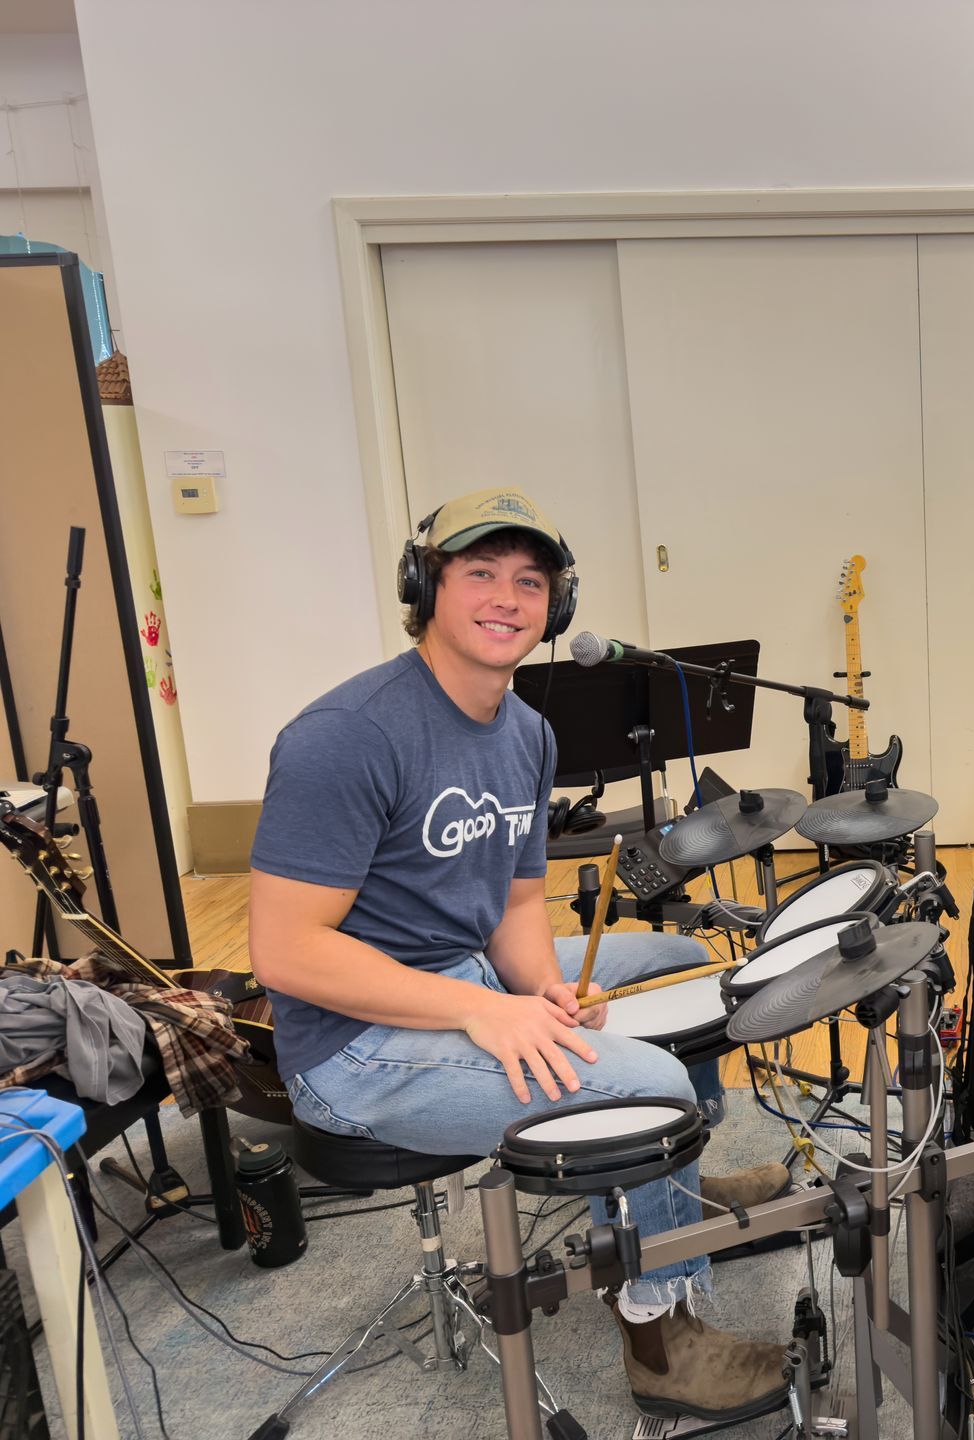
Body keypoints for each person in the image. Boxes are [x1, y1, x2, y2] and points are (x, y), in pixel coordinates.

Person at [248, 487, 793, 1425]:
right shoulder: (349, 737)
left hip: (462, 979)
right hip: (354, 1045)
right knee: (647, 1081)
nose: (507, 597)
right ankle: (662, 1336)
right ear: (427, 586)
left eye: (529, 581)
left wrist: (539, 984)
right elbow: (285, 953)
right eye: (480, 573)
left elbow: (518, 900)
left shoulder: (528, 732)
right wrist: (483, 1009)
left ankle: (674, 1187)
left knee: (679, 960)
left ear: (557, 606)